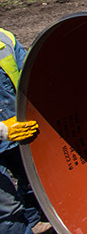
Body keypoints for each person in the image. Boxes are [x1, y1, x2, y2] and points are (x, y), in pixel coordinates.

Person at [0, 28, 50, 234]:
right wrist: (2, 131)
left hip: (19, 131)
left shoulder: (5, 40)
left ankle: (33, 219)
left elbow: (30, 73)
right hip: (7, 131)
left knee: (33, 178)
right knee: (7, 209)